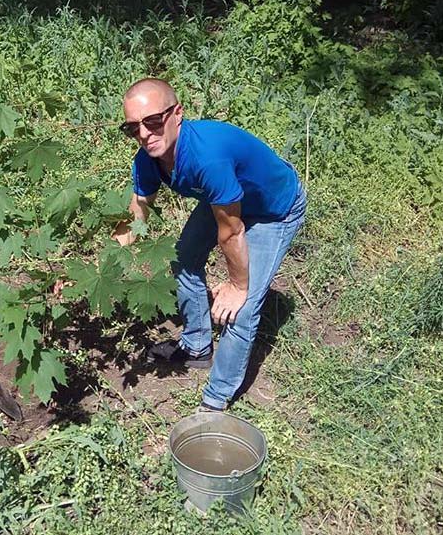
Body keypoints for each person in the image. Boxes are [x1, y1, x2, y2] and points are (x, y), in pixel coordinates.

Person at [113, 78, 306, 411]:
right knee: (184, 257)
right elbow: (136, 218)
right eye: (133, 128)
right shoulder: (147, 160)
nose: (144, 134)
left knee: (242, 309)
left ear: (177, 114)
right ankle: (196, 346)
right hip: (227, 199)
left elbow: (231, 232)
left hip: (275, 209)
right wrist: (97, 269)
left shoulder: (207, 158)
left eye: (153, 121)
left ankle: (215, 402)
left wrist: (237, 285)